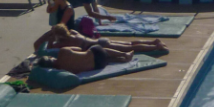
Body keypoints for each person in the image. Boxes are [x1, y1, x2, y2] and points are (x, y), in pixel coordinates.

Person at [33, 24, 166, 73]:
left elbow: (43, 46)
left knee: (130, 48)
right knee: (130, 44)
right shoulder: (73, 32)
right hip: (101, 40)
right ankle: (154, 42)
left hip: (100, 47)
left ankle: (155, 46)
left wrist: (49, 37)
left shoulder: (62, 44)